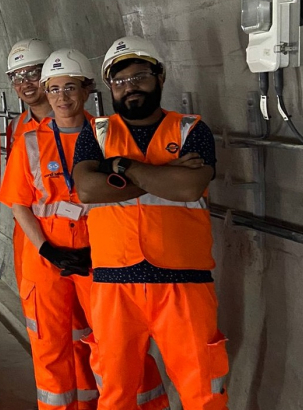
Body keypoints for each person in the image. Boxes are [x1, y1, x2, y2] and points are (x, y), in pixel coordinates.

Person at [0, 49, 168, 410]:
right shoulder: (30, 141)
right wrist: (46, 249)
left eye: (71, 87)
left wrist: (98, 250)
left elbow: (126, 197)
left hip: (101, 257)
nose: (63, 97)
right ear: (47, 91)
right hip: (46, 260)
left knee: (115, 346)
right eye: (55, 88)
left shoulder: (109, 136)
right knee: (50, 350)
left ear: (88, 89)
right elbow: (18, 203)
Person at [73, 36, 230, 410]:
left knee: (203, 395)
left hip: (184, 284)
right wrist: (162, 174)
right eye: (121, 81)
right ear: (110, 87)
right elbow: (88, 190)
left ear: (160, 77)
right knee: (115, 394)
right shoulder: (95, 132)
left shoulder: (192, 129)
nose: (131, 87)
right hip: (115, 284)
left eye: (140, 76)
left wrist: (122, 167)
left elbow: (190, 184)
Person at [4, 38, 53, 151]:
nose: (25, 84)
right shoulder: (15, 126)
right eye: (17, 78)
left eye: (33, 74)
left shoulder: (74, 120)